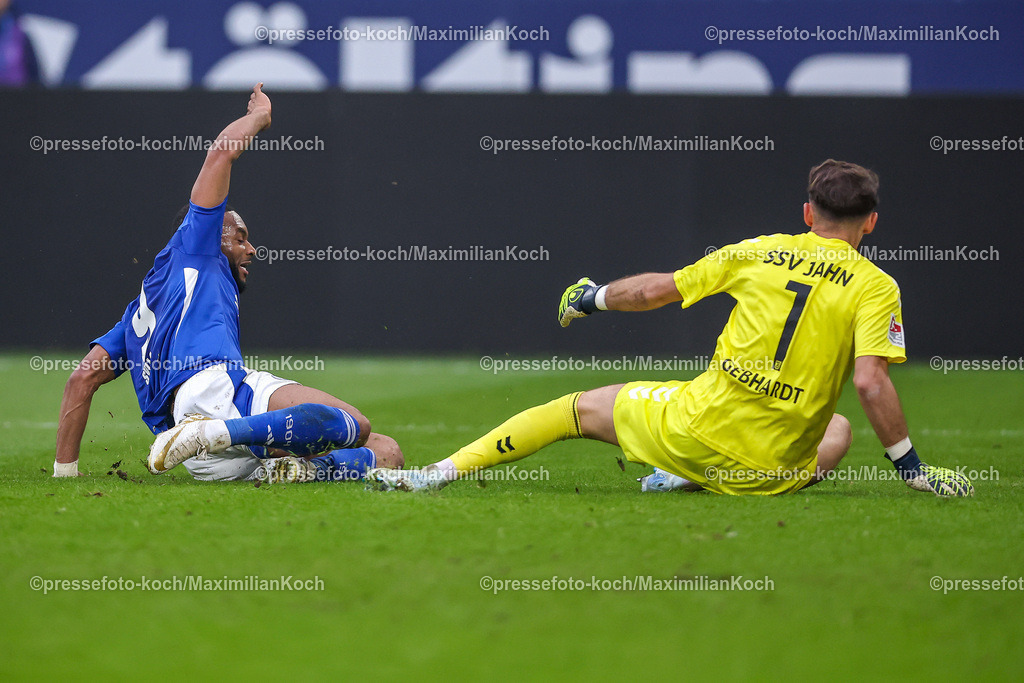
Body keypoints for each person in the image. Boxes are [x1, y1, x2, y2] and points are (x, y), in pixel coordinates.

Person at [367, 159, 972, 497]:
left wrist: (593, 297)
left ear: (808, 213)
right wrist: (914, 471)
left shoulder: (759, 251)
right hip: (767, 474)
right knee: (836, 429)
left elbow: (655, 291)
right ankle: (691, 481)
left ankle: (435, 474)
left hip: (693, 431)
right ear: (871, 222)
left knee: (574, 409)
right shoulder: (876, 287)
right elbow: (869, 382)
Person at [53, 83, 403, 483]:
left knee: (387, 452)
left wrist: (65, 474)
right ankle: (213, 433)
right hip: (213, 392)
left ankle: (292, 469)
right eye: (240, 237)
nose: (251, 249)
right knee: (352, 423)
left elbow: (82, 379)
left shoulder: (139, 315)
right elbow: (221, 153)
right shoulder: (197, 247)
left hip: (205, 461)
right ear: (205, 234)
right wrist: (258, 117)